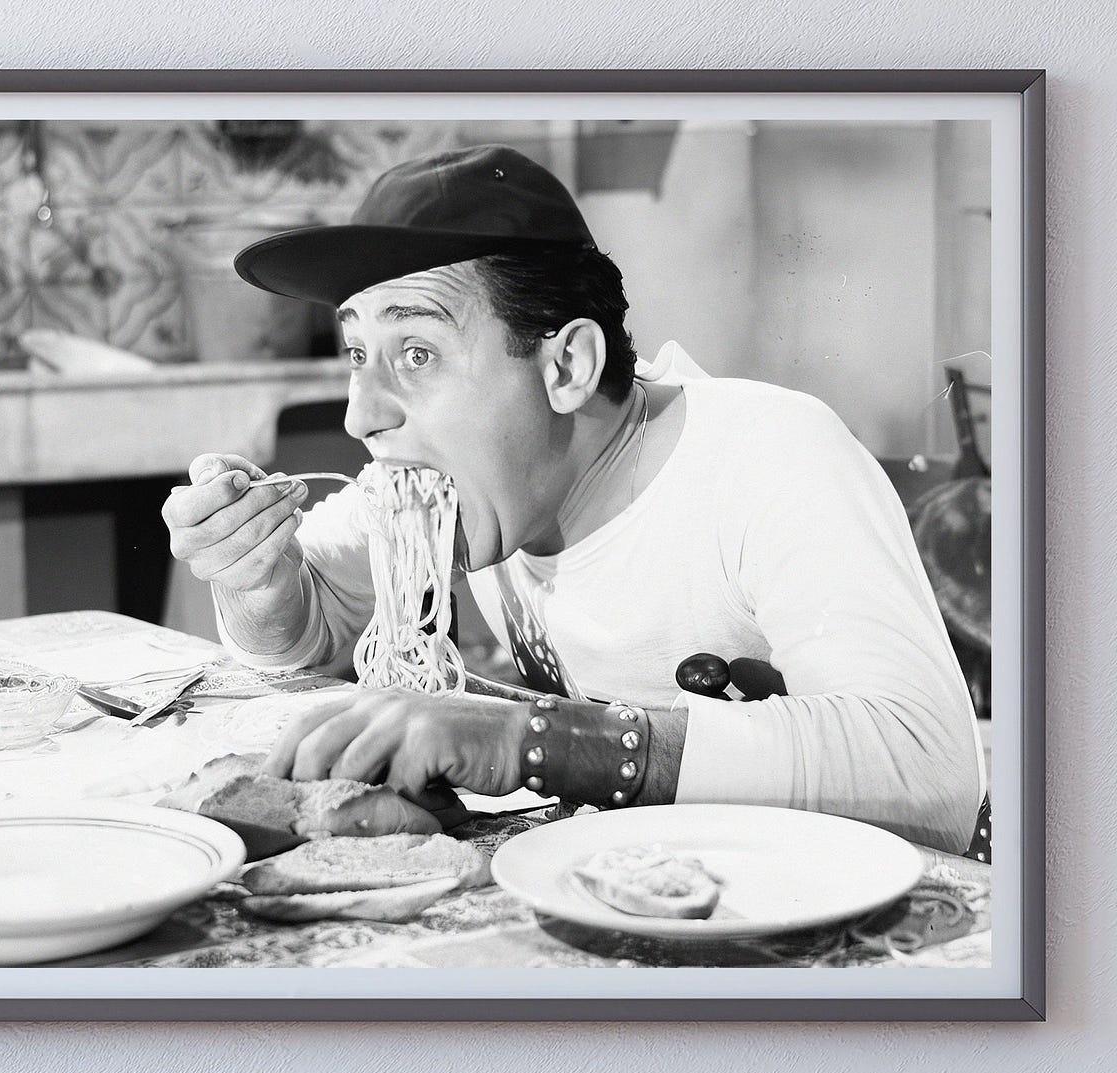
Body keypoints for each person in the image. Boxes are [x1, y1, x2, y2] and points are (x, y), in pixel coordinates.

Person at [161, 144, 984, 854]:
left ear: (565, 368)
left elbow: (927, 767)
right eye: (356, 352)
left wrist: (530, 738)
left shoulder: (765, 456)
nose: (362, 414)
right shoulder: (445, 489)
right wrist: (258, 582)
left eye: (416, 352)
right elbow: (313, 617)